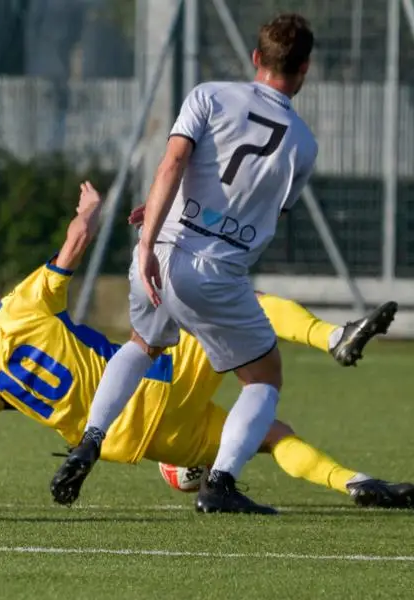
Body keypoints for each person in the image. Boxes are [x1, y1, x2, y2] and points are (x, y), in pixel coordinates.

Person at [51, 13, 396, 514]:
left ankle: (90, 440)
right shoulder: (302, 143)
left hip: (161, 250)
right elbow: (260, 206)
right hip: (212, 271)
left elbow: (173, 164)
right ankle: (221, 484)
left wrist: (149, 238)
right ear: (304, 69)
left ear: (257, 58)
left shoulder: (209, 95)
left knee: (142, 345)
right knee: (264, 379)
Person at [0, 181, 414, 511]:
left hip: (135, 444)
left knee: (272, 434)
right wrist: (88, 209)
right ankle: (333, 338)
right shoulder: (23, 304)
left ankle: (357, 483)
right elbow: (77, 241)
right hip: (154, 384)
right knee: (246, 305)